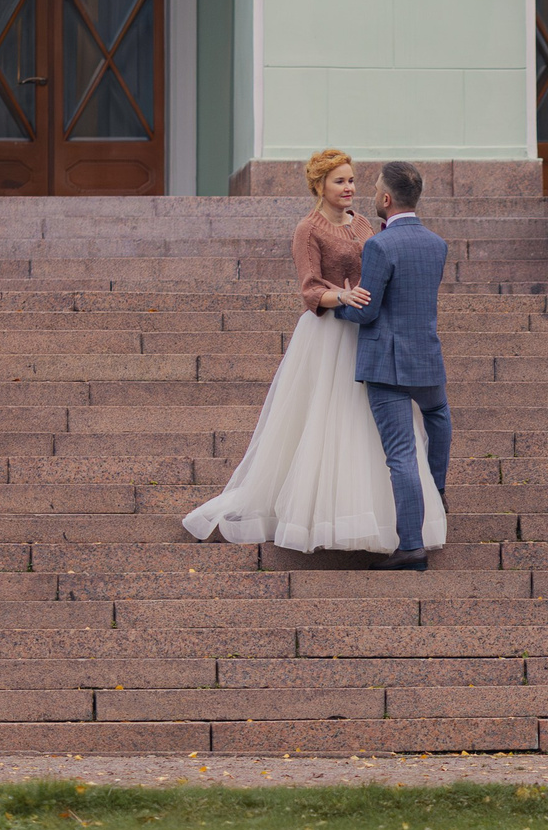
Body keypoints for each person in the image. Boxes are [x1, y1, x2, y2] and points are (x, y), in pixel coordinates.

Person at [179, 150, 446, 556]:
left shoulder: (363, 225)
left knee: (369, 429)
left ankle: (382, 517)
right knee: (326, 418)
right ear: (319, 185)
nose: (350, 188)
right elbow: (308, 289)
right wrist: (342, 295)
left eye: (353, 180)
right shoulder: (308, 229)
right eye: (340, 181)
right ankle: (317, 513)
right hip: (330, 330)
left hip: (368, 332)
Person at [335, 161, 453, 572]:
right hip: (427, 357)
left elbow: (367, 313)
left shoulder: (380, 246)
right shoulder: (437, 244)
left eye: (375, 189)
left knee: (401, 454)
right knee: (438, 415)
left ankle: (411, 546)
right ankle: (437, 489)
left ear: (386, 200)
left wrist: (340, 309)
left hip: (387, 363)